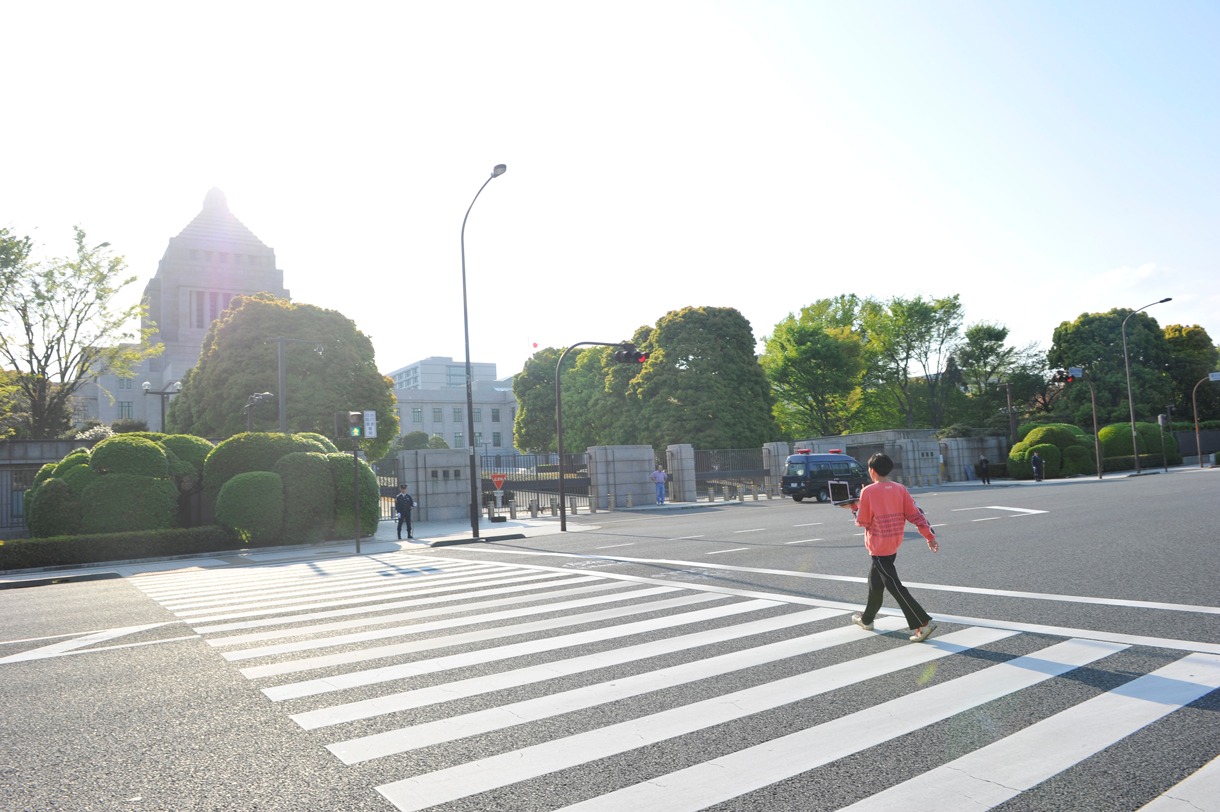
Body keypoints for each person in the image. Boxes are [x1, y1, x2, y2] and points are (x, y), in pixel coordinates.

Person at [838, 452, 940, 643]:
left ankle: (922, 623)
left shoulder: (867, 491)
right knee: (875, 583)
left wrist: (853, 507)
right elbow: (916, 514)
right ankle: (867, 619)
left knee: (893, 585)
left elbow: (863, 521)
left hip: (878, 544)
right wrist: (929, 536)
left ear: (872, 471)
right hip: (894, 541)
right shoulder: (900, 489)